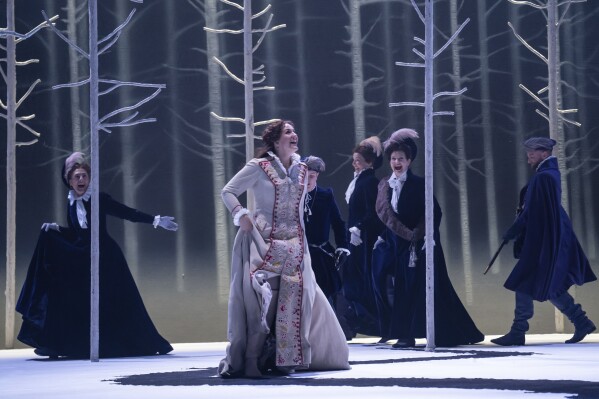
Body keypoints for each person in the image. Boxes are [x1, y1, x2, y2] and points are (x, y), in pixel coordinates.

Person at [218, 120, 350, 378]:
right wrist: (241, 214)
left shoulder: (301, 170)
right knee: (262, 300)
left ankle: (284, 358)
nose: (294, 134)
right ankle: (251, 358)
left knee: (294, 302)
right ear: (276, 141)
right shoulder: (259, 166)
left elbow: (300, 210)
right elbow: (228, 191)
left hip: (294, 245)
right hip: (263, 241)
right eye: (287, 132)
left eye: (294, 131)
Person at [16, 152, 177, 358]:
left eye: (84, 176)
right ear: (69, 180)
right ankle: (61, 344)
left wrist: (155, 220)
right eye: (77, 177)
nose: (81, 180)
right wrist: (56, 228)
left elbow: (126, 212)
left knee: (119, 302)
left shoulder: (99, 198)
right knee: (68, 292)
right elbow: (76, 233)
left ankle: (137, 343)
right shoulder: (72, 202)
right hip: (83, 257)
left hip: (106, 258)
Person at [372, 129, 484, 347]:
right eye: (394, 159)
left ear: (409, 161)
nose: (397, 162)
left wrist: (424, 236)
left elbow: (434, 211)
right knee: (403, 289)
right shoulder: (385, 184)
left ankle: (447, 333)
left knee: (427, 289)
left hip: (422, 245)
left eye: (401, 159)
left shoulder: (420, 184)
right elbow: (388, 215)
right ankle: (406, 335)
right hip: (399, 245)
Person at [492, 137, 597, 346]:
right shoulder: (548, 175)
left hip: (543, 240)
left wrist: (514, 230)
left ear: (545, 154)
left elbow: (532, 211)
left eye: (534, 150)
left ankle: (518, 330)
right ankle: (581, 322)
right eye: (528, 150)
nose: (529, 154)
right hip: (547, 237)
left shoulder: (544, 177)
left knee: (525, 281)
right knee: (550, 284)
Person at [341, 136, 384, 338]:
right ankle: (356, 321)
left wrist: (359, 227)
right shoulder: (359, 180)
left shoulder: (369, 182)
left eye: (358, 160)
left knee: (361, 280)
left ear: (370, 163)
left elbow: (374, 212)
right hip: (356, 239)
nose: (354, 164)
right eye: (354, 160)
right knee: (352, 280)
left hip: (365, 239)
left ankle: (371, 322)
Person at [302, 156, 350, 305]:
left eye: (311, 176)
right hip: (300, 255)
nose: (307, 181)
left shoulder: (325, 196)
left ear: (317, 176)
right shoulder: (294, 197)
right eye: (304, 176)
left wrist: (342, 247)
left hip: (321, 255)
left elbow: (338, 223)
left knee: (326, 298)